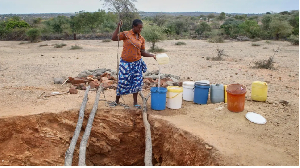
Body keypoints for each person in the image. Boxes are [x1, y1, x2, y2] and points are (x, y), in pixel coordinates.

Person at [110, 19, 156, 109]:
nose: (140, 29)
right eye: (139, 27)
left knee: (136, 83)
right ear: (134, 26)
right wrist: (118, 26)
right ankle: (116, 101)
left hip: (137, 63)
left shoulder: (141, 39)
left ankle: (135, 103)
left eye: (141, 28)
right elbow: (114, 38)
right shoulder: (126, 34)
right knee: (122, 82)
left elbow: (142, 52)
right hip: (125, 63)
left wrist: (152, 55)